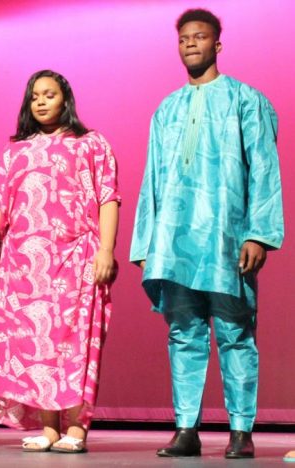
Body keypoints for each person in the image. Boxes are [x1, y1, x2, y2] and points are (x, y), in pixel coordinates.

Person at [129, 8, 283, 459]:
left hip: (226, 239)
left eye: (199, 37)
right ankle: (186, 427)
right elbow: (152, 179)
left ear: (217, 44)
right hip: (174, 240)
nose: (190, 44)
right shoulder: (167, 108)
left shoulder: (245, 100)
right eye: (183, 39)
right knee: (183, 333)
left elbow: (265, 170)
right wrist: (146, 242)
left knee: (236, 331)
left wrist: (259, 234)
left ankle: (241, 430)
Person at [0, 70, 120, 454]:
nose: (40, 101)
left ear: (64, 99)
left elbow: (108, 197)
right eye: (35, 95)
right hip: (24, 264)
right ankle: (49, 426)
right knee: (36, 343)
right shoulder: (15, 151)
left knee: (75, 342)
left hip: (77, 256)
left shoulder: (90, 144)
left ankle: (77, 426)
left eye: (49, 94)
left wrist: (106, 249)